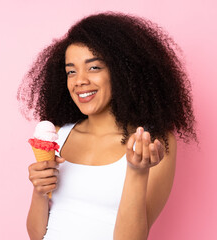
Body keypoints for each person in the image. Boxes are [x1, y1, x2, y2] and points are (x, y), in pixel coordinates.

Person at [17, 11, 196, 240]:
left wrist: (137, 172)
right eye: (71, 71)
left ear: (123, 72)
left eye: (94, 68)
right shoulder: (60, 136)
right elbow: (36, 235)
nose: (80, 80)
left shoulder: (151, 142)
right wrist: (40, 190)